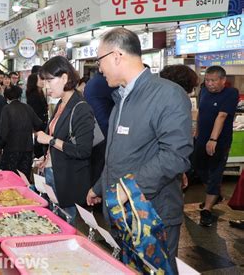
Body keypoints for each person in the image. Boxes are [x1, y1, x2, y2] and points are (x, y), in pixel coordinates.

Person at [86, 28, 193, 274]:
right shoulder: (121, 99)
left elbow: (176, 155)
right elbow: (118, 155)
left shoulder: (168, 95)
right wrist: (99, 187)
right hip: (122, 214)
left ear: (117, 55)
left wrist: (128, 188)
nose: (99, 69)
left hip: (152, 216)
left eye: (99, 60)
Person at [36, 56, 95, 224]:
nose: (46, 86)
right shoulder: (61, 103)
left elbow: (83, 150)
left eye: (49, 81)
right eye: (44, 82)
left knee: (64, 224)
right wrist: (47, 157)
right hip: (54, 173)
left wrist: (50, 141)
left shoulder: (81, 108)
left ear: (64, 78)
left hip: (68, 178)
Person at [193, 66, 239, 227]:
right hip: (201, 139)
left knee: (215, 173)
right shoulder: (204, 91)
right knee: (199, 168)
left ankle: (206, 210)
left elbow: (222, 116)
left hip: (219, 141)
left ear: (223, 80)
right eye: (207, 80)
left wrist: (213, 139)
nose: (210, 84)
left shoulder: (231, 94)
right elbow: (201, 112)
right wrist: (197, 133)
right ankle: (215, 195)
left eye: (213, 80)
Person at [160, 65, 200, 191]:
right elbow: (177, 143)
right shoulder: (178, 100)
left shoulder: (155, 97)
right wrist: (181, 170)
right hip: (165, 167)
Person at [0, 85, 43, 178]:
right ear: (19, 95)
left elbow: (4, 131)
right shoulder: (28, 107)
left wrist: (0, 146)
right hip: (27, 148)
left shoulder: (6, 109)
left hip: (11, 148)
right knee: (24, 177)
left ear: (6, 96)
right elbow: (38, 123)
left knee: (10, 178)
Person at [83, 71, 116, 186]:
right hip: (104, 131)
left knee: (96, 166)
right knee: (101, 167)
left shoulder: (92, 82)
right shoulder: (105, 83)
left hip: (96, 131)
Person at [26, 73, 49, 158]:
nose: (43, 81)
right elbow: (33, 113)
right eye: (40, 79)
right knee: (39, 149)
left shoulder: (41, 93)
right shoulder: (33, 95)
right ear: (34, 81)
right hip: (37, 126)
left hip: (42, 124)